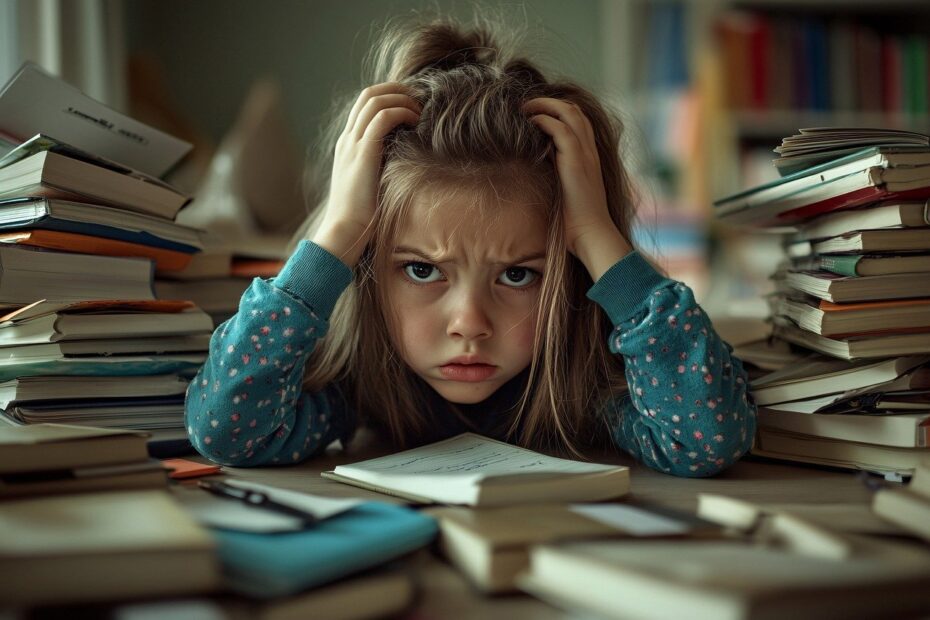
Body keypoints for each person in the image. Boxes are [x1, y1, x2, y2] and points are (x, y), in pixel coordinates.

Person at [185, 14, 756, 477]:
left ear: (574, 274)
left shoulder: (589, 385)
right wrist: (337, 234)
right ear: (364, 269)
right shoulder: (362, 382)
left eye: (518, 275)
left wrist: (596, 234)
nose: (469, 324)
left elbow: (706, 441)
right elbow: (227, 435)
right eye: (421, 270)